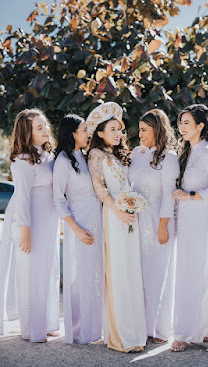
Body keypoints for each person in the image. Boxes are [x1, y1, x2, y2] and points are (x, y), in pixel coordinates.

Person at [87, 102, 147, 353]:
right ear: (99, 132)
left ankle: (136, 332)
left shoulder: (121, 154)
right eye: (112, 129)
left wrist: (131, 208)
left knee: (132, 271)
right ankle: (121, 336)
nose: (118, 133)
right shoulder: (96, 155)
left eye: (119, 129)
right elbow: (100, 190)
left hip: (130, 216)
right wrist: (119, 213)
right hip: (114, 216)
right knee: (119, 272)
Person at [0, 109, 59, 343]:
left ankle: (47, 322)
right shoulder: (22, 161)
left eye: (45, 125)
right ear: (27, 133)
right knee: (30, 272)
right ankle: (32, 328)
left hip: (48, 220)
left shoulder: (48, 155)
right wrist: (24, 231)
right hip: (29, 220)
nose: (46, 129)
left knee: (47, 269)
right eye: (39, 127)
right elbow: (23, 197)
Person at [171, 104, 208, 352]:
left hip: (203, 219)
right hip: (186, 220)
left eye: (186, 123)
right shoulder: (189, 152)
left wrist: (190, 195)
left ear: (200, 126)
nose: (181, 127)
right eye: (180, 122)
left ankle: (188, 331)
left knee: (199, 272)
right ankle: (196, 327)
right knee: (186, 272)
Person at [128, 109, 179, 343]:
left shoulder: (169, 158)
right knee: (139, 274)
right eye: (140, 130)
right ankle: (140, 324)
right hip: (137, 223)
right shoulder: (136, 154)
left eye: (145, 130)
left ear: (157, 130)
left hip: (160, 221)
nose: (140, 135)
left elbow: (169, 194)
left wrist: (163, 225)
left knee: (158, 273)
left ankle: (159, 329)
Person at [53, 114, 103, 344]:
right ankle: (79, 331)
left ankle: (95, 329)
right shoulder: (63, 161)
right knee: (80, 276)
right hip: (80, 224)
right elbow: (58, 200)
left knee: (95, 275)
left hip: (97, 221)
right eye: (84, 129)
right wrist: (76, 229)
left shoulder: (84, 157)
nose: (88, 133)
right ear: (72, 133)